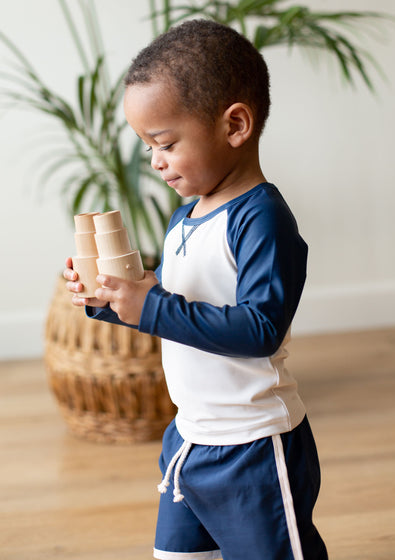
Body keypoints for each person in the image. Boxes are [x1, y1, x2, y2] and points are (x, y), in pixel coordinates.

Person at [64, 19, 328, 560]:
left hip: (253, 446)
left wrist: (151, 303)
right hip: (190, 438)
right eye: (147, 146)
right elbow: (180, 306)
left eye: (164, 143)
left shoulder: (261, 220)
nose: (155, 161)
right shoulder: (186, 217)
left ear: (235, 125)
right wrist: (113, 300)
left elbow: (259, 328)